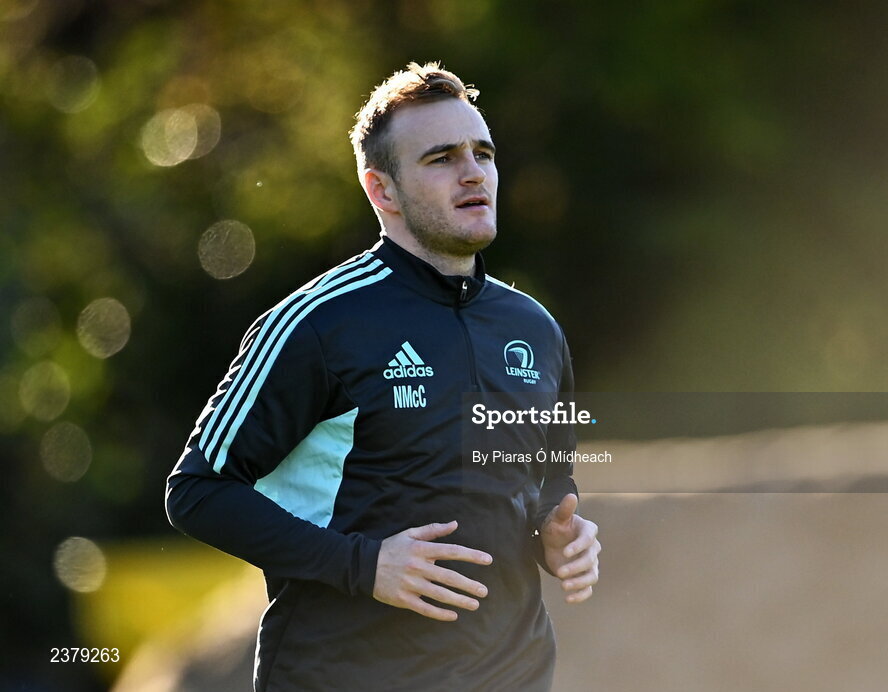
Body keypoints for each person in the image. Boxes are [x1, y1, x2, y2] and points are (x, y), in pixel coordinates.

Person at [165, 61, 600, 692]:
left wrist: (558, 537)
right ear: (382, 191)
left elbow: (546, 480)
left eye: (483, 152)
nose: (473, 171)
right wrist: (364, 566)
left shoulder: (534, 327)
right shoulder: (319, 324)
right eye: (441, 158)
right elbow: (197, 493)